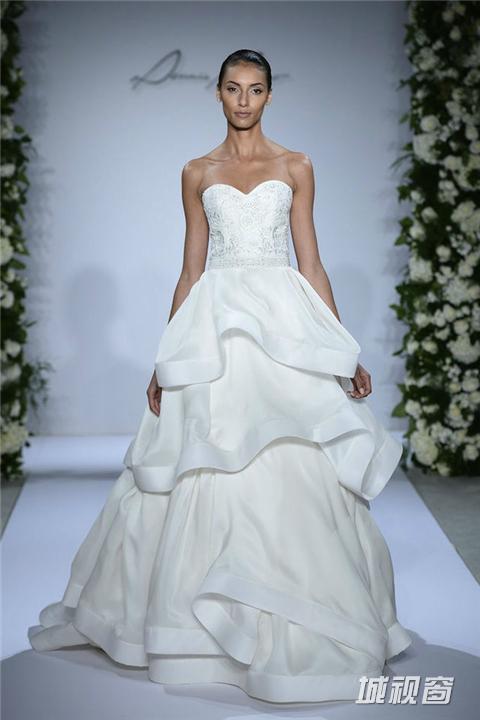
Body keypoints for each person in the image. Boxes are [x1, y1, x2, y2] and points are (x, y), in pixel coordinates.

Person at [28, 48, 412, 704]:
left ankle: (297, 610)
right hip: (215, 327)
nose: (243, 101)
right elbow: (190, 269)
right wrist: (166, 357)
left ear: (269, 96)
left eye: (255, 89)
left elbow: (312, 264)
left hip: (281, 325)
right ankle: (195, 626)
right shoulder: (196, 172)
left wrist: (341, 348)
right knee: (204, 456)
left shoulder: (296, 165)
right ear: (217, 93)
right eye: (233, 88)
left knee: (294, 456)